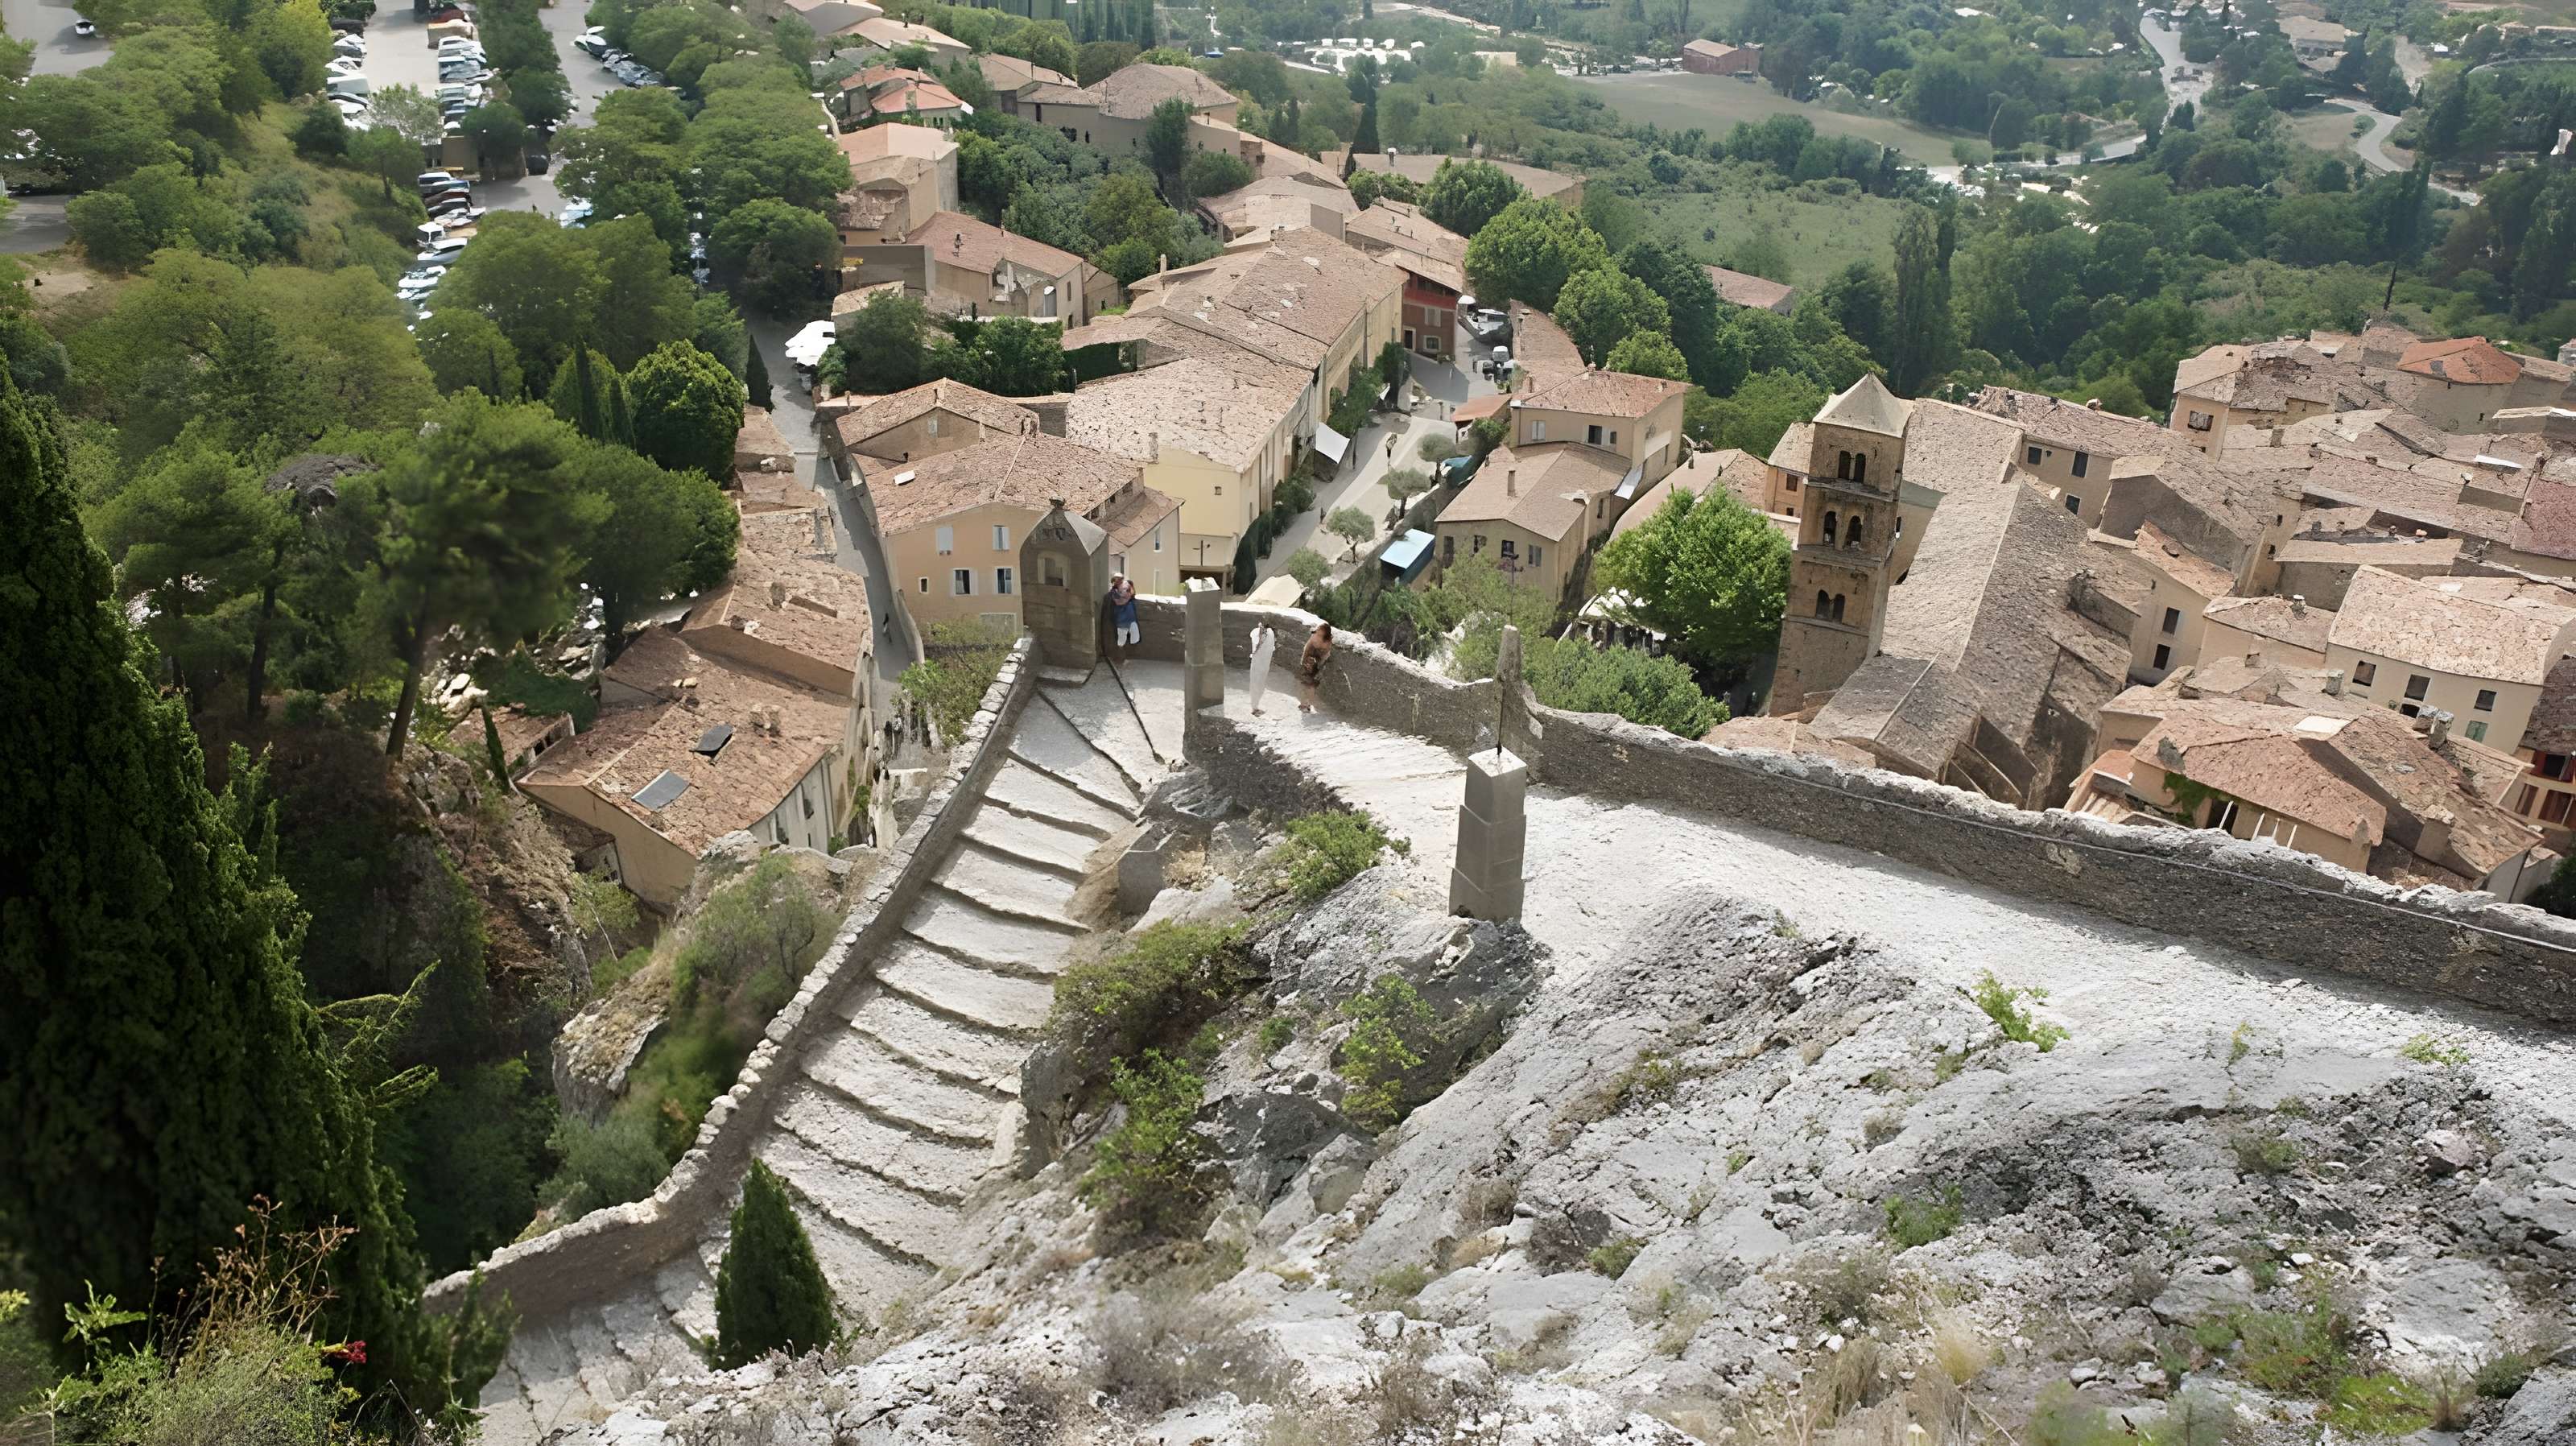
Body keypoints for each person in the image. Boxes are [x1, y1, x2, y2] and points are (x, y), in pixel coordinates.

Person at [1297, 622, 1333, 713]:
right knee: (1306, 682)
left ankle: (1308, 704)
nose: (1318, 635)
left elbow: (1325, 657)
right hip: (1310, 657)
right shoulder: (1313, 638)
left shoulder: (1328, 643)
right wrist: (1304, 662)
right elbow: (1306, 650)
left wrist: (1318, 664)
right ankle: (1304, 704)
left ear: (1326, 636)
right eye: (1318, 632)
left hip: (1319, 662)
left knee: (1312, 685)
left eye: (1320, 634)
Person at [1247, 619, 1278, 715]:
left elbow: (1257, 644)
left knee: (1256, 682)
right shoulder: (1268, 634)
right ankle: (1255, 708)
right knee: (1258, 683)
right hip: (1262, 664)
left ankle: (1255, 707)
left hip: (1259, 663)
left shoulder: (1264, 634)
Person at [1106, 573, 1138, 661]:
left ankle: (1125, 655)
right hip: (1122, 617)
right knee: (1122, 638)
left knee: (1133, 636)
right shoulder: (1114, 592)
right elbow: (1120, 601)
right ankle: (1120, 656)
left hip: (1128, 616)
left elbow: (1126, 596)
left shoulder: (1123, 587)